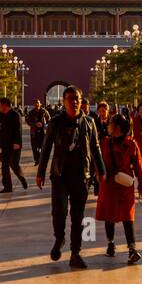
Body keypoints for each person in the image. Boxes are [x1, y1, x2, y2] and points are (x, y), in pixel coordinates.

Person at [37, 86, 106, 269]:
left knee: (78, 216)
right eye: (69, 98)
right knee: (59, 212)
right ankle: (59, 239)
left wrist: (101, 170)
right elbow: (46, 148)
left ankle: (75, 253)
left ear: (81, 100)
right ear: (64, 101)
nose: (73, 101)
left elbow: (96, 148)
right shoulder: (55, 122)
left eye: (76, 98)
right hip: (60, 175)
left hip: (81, 176)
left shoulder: (89, 123)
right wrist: (40, 172)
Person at [96, 113, 142, 263]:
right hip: (109, 184)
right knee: (109, 216)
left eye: (110, 123)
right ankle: (111, 244)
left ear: (117, 127)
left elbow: (138, 166)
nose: (108, 125)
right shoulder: (105, 143)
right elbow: (98, 162)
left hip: (124, 185)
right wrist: (98, 175)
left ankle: (132, 249)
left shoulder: (131, 144)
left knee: (127, 217)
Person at [0, 96, 28, 192]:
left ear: (4, 105)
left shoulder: (15, 115)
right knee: (5, 166)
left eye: (0, 105)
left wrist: (17, 143)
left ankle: (22, 178)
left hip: (14, 144)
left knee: (14, 165)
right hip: (3, 144)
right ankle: (7, 187)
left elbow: (18, 130)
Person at [26, 100, 50, 165]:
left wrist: (45, 125)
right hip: (34, 132)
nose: (37, 105)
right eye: (35, 104)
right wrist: (35, 124)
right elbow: (28, 121)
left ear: (40, 104)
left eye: (38, 103)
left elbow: (49, 120)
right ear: (34, 105)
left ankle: (41, 159)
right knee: (34, 148)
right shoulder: (31, 113)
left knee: (42, 147)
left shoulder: (44, 112)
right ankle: (37, 160)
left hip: (43, 132)